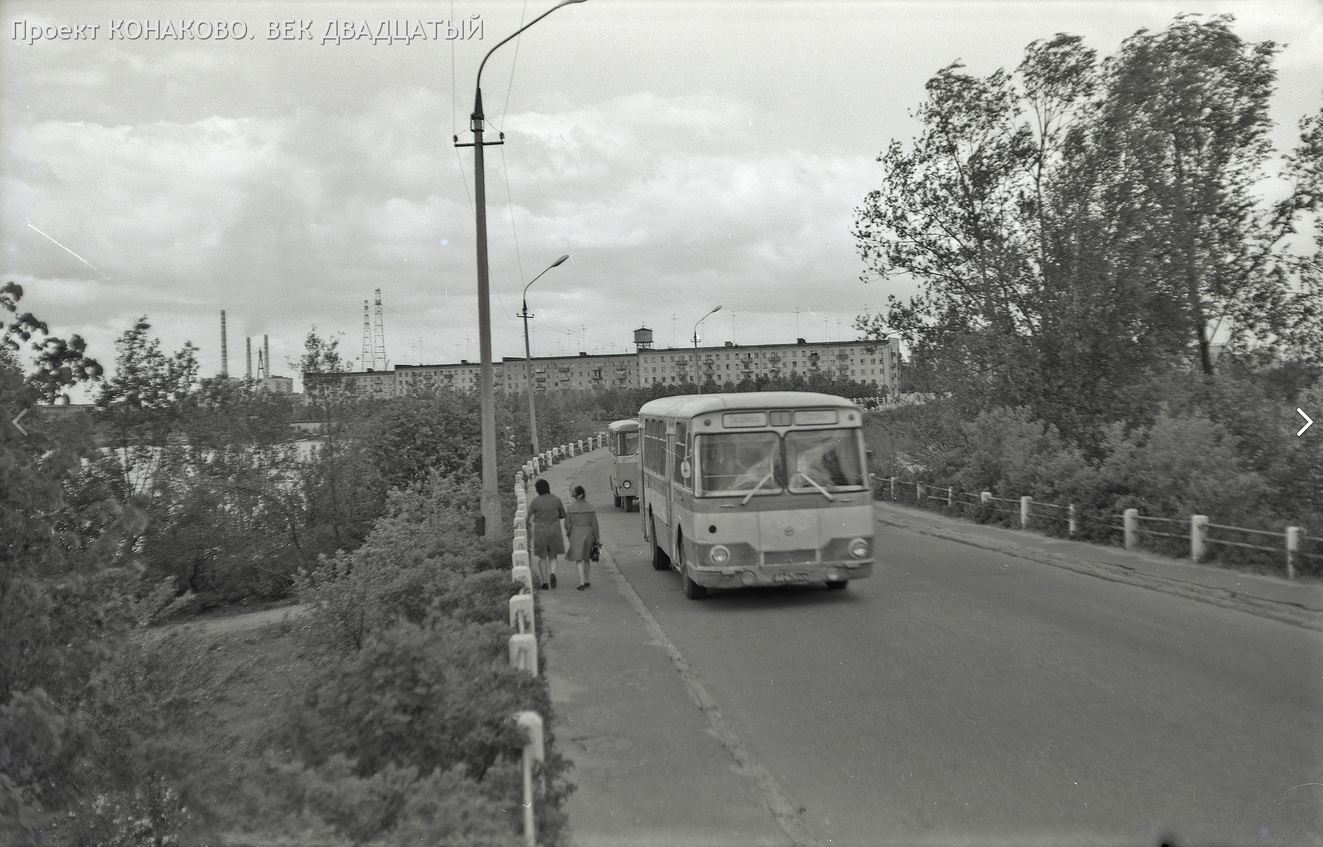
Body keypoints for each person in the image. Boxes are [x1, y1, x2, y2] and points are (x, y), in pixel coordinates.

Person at [528, 478, 566, 589]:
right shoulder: (556, 499)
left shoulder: (535, 501)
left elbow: (529, 518)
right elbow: (562, 514)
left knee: (542, 557)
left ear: (538, 490)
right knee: (553, 555)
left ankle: (544, 582)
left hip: (540, 532)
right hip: (554, 531)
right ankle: (552, 573)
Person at [564, 484, 601, 590]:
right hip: (589, 534)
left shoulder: (571, 508)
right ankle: (587, 580)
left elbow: (567, 524)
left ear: (576, 496)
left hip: (575, 534)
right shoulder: (590, 507)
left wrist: (569, 534)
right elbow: (595, 524)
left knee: (578, 559)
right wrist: (597, 537)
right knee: (587, 558)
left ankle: (581, 583)